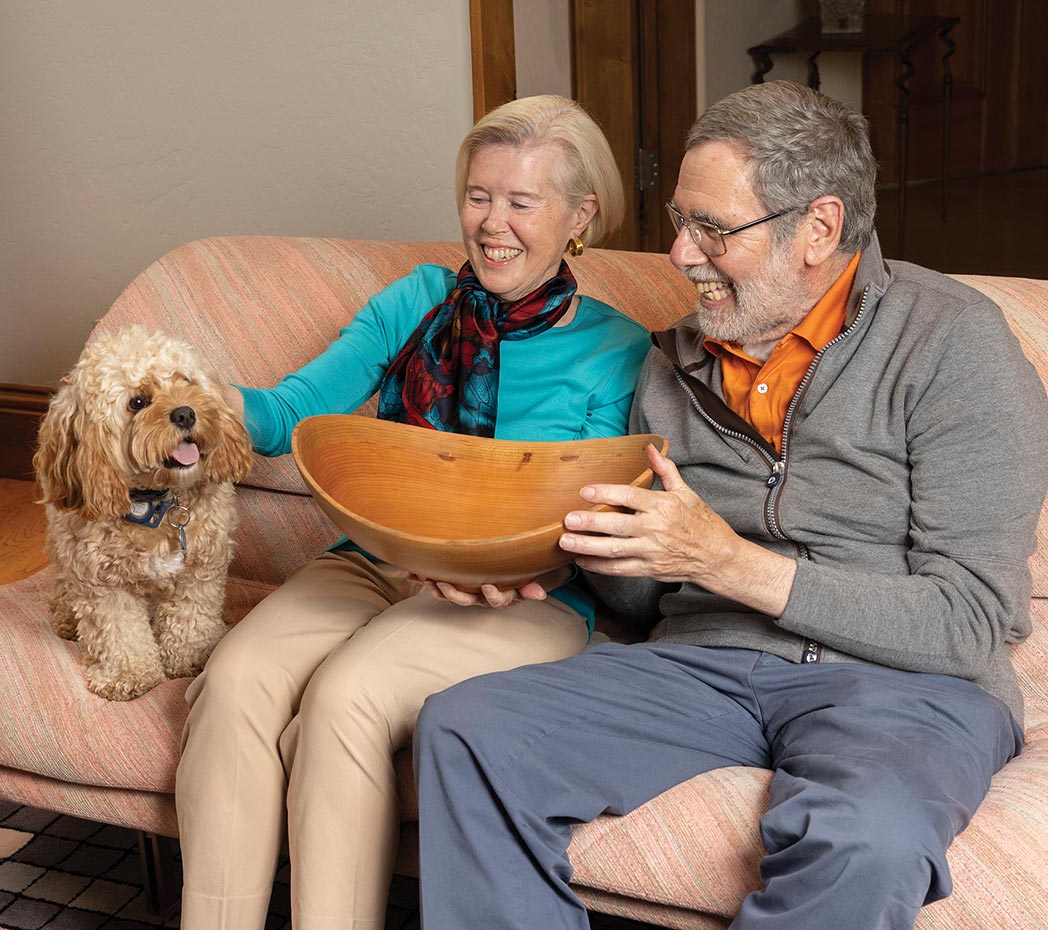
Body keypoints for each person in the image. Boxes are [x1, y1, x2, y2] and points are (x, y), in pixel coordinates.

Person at [414, 80, 1048, 930]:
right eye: (680, 219)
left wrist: (729, 563)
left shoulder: (953, 342)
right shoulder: (672, 359)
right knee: (468, 729)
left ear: (818, 229)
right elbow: (642, 594)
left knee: (870, 836)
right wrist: (554, 552)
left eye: (712, 228)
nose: (680, 252)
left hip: (905, 687)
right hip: (700, 663)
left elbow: (972, 619)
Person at [175, 94, 653, 930]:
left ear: (581, 217)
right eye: (478, 195)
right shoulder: (417, 300)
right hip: (372, 555)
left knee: (347, 694)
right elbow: (293, 413)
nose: (492, 223)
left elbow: (596, 510)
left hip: (525, 591)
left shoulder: (619, 347)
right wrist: (191, 402)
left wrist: (510, 562)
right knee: (238, 677)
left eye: (521, 201)